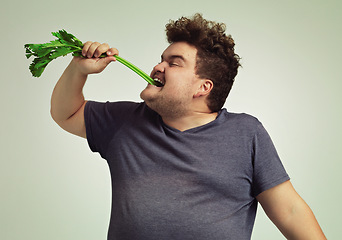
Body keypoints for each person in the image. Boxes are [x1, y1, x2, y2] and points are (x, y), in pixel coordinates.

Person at [51, 13, 326, 240]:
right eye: (161, 59)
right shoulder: (123, 120)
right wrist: (78, 70)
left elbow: (289, 211)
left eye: (174, 63)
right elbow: (66, 113)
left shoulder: (247, 133)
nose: (158, 67)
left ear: (203, 87)